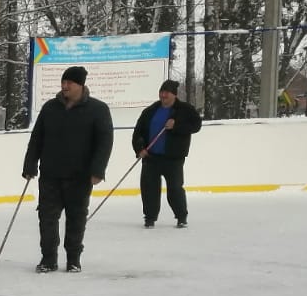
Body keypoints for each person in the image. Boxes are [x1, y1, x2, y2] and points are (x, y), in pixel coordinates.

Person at [22, 65, 114, 273]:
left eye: (69, 83)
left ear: (80, 85)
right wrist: (30, 165)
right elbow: (37, 138)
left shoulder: (98, 110)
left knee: (76, 218)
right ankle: (48, 259)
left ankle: (73, 259)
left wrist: (98, 170)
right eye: (63, 82)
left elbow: (104, 142)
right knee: (46, 218)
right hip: (50, 174)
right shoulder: (50, 108)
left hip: (79, 176)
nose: (64, 86)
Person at [132, 79, 204, 228]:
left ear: (174, 95)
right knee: (149, 188)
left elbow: (196, 126)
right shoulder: (151, 110)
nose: (163, 95)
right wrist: (140, 148)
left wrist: (176, 125)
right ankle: (150, 217)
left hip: (173, 158)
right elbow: (138, 131)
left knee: (175, 188)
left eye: (167, 92)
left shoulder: (185, 109)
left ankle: (181, 216)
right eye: (161, 92)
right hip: (151, 157)